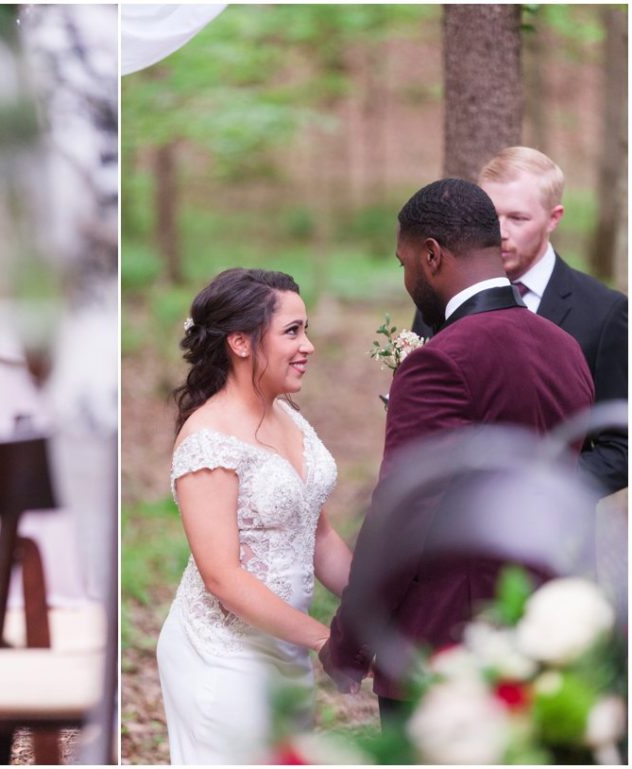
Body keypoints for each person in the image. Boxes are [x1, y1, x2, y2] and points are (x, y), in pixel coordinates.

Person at [320, 179, 595, 723]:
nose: (405, 279)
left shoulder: (441, 360)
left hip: (444, 650)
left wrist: (350, 643)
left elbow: (404, 513)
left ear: (431, 255)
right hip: (536, 637)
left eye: (404, 263)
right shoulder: (564, 348)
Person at [156, 268, 353, 764]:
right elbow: (222, 576)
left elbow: (320, 534)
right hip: (223, 656)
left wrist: (375, 607)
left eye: (305, 329)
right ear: (240, 343)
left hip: (286, 645)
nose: (307, 345)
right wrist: (327, 640)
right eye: (292, 331)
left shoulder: (288, 415)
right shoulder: (209, 439)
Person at [411, 147, 627, 495]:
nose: (500, 232)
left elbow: (621, 447)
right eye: (491, 216)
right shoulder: (440, 299)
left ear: (554, 218)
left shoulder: (605, 312)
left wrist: (543, 492)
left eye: (518, 218)